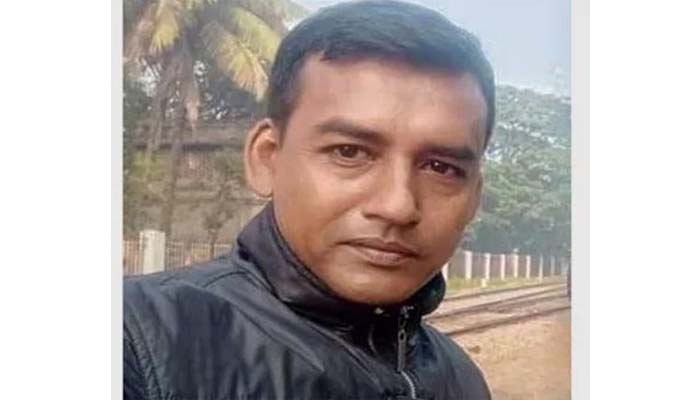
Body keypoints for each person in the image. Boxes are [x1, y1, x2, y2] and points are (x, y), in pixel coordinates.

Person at [124, 1, 496, 399]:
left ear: (474, 197)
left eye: (441, 168)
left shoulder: (462, 380)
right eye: (350, 152)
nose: (397, 206)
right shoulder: (137, 345)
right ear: (267, 158)